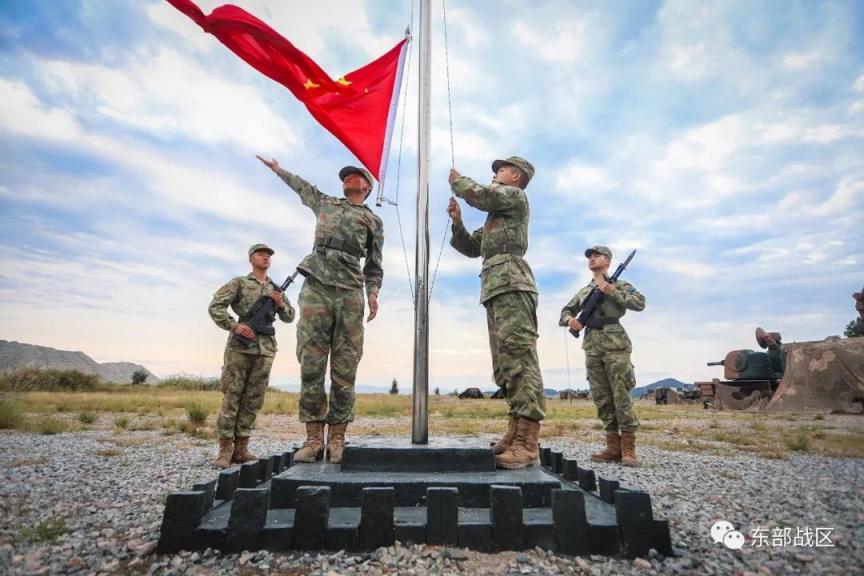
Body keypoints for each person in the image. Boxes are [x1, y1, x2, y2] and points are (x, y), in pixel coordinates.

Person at [257, 156, 383, 464]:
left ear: (365, 185)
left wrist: (373, 294)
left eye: (354, 176)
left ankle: (337, 438)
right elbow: (301, 186)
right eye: (345, 176)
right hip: (316, 287)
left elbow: (375, 265)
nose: (348, 179)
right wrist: (278, 169)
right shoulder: (325, 203)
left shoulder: (373, 221)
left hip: (350, 292)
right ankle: (314, 438)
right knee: (311, 363)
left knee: (345, 366)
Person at [447, 156, 545, 469]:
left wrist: (459, 182)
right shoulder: (495, 217)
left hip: (512, 283)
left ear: (515, 176)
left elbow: (482, 195)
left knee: (519, 358)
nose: (495, 173)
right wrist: (457, 222)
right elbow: (472, 248)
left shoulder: (514, 197)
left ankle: (528, 442)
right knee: (504, 363)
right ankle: (515, 432)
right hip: (495, 285)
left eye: (500, 170)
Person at [208, 243, 296, 469]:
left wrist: (280, 304)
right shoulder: (239, 283)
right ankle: (225, 449)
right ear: (250, 258)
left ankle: (241, 448)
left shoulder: (276, 288)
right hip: (240, 348)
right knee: (232, 397)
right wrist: (234, 326)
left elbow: (290, 317)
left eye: (268, 255)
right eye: (261, 254)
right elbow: (216, 306)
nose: (265, 258)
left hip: (265, 350)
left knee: (253, 400)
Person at [559, 246, 645, 466]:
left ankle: (629, 450)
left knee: (621, 394)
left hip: (615, 343)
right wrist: (571, 321)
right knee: (602, 397)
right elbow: (565, 311)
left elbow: (640, 303)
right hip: (592, 344)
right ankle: (612, 447)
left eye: (597, 256)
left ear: (608, 261)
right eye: (589, 256)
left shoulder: (620, 284)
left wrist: (611, 291)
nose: (592, 259)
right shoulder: (584, 290)